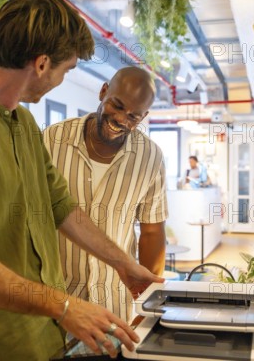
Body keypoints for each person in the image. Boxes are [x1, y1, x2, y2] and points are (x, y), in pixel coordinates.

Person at [0, 0, 162, 361]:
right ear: (42, 64)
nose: (62, 80)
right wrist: (65, 306)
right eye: (66, 70)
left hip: (45, 335)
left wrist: (123, 264)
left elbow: (60, 205)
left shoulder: (22, 122)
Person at [43, 67, 168, 322]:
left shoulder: (150, 158)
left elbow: (152, 232)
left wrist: (147, 303)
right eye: (117, 105)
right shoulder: (52, 140)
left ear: (142, 118)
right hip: (58, 300)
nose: (121, 119)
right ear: (103, 92)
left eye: (133, 116)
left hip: (115, 302)